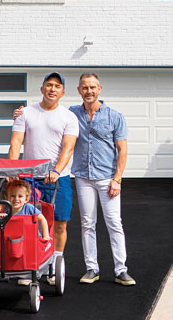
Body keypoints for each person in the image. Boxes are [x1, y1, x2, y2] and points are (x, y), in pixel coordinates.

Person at [14, 72, 135, 286]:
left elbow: (122, 150)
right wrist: (19, 113)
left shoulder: (114, 116)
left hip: (107, 177)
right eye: (85, 88)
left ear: (100, 89)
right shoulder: (72, 113)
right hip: (82, 176)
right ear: (78, 91)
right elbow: (44, 117)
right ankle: (91, 269)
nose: (89, 91)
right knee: (87, 223)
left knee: (114, 223)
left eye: (92, 87)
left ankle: (121, 270)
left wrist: (117, 179)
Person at [8, 71, 78, 281]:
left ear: (62, 92)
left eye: (57, 86)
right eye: (49, 85)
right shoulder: (25, 113)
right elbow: (15, 143)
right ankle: (30, 265)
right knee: (28, 221)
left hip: (58, 178)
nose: (52, 89)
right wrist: (12, 170)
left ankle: (53, 267)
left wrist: (56, 171)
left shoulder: (69, 117)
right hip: (28, 178)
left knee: (59, 223)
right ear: (42, 89)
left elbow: (68, 148)